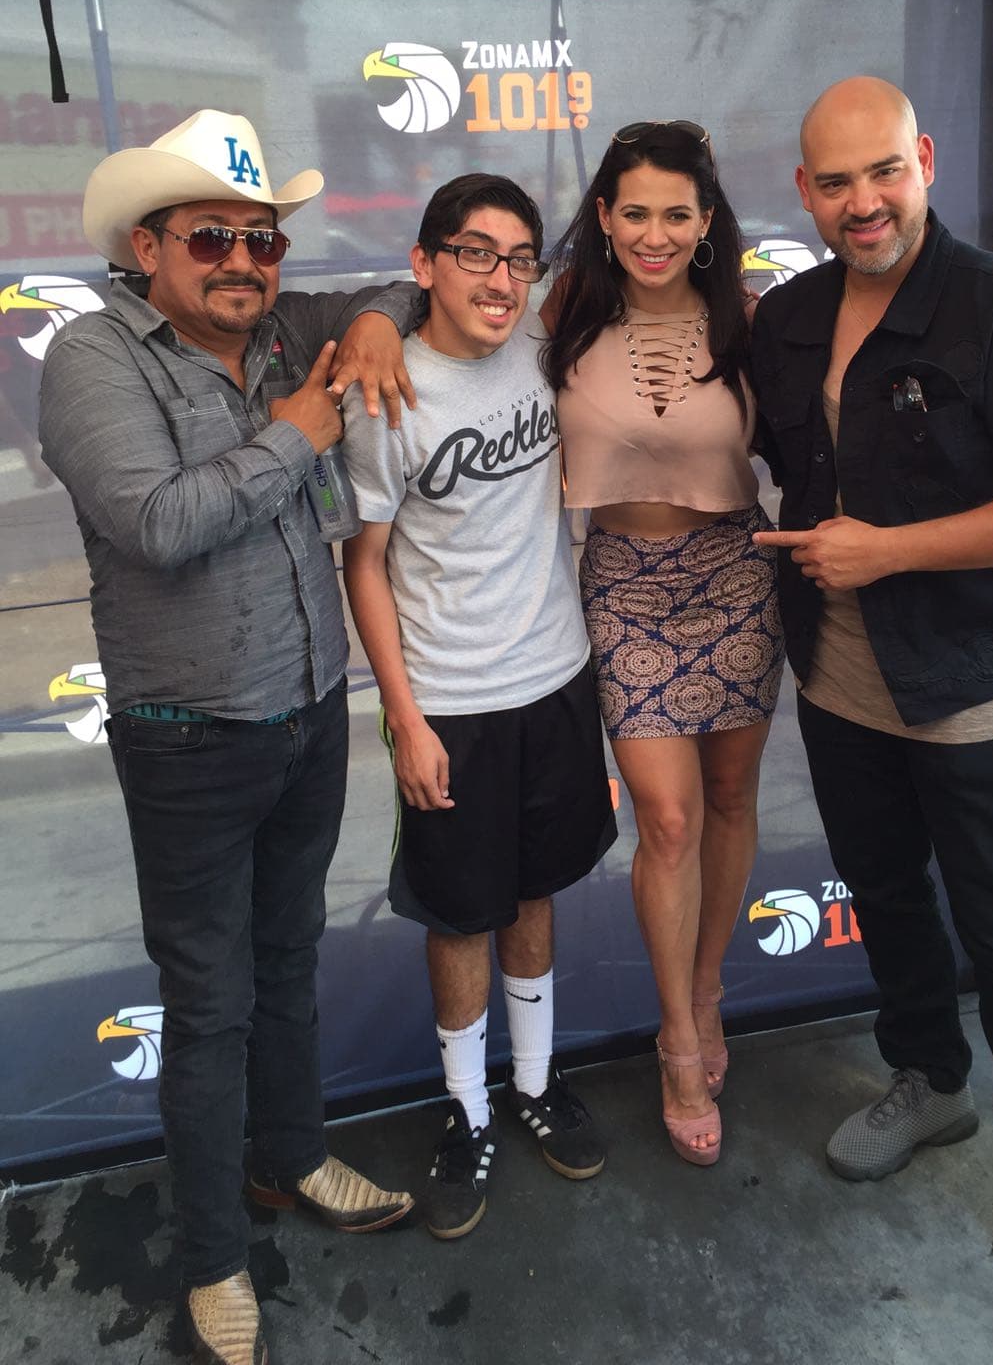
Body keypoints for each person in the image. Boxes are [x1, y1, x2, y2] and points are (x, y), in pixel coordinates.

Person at [39, 109, 422, 1365]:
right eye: (213, 237)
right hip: (188, 741)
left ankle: (292, 1157)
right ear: (146, 247)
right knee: (209, 1008)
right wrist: (298, 433)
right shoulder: (93, 357)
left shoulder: (287, 330)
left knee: (290, 959)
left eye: (264, 240)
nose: (246, 262)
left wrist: (376, 323)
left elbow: (393, 290)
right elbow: (155, 522)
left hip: (308, 712)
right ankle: (212, 1259)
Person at [750, 77, 993, 1324]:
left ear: (927, 163)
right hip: (840, 677)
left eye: (884, 173)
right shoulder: (789, 316)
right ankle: (930, 1078)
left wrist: (889, 550)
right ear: (805, 193)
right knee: (886, 891)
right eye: (837, 182)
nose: (864, 203)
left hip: (971, 687)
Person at [340, 173, 616, 1240]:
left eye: (519, 258)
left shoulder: (543, 345)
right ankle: (467, 1108)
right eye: (475, 253)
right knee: (460, 912)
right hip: (449, 702)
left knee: (533, 888)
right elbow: (364, 564)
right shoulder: (387, 390)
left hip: (555, 676)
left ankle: (535, 1082)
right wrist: (405, 718)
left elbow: (640, 256)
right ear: (424, 264)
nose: (501, 279)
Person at [542, 122, 785, 1167]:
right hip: (624, 587)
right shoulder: (559, 312)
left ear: (706, 220)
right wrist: (376, 325)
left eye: (676, 214)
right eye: (634, 212)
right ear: (604, 217)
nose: (654, 234)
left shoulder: (752, 320)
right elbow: (433, 308)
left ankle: (709, 984)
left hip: (735, 578)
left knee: (728, 800)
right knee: (669, 818)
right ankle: (677, 1041)